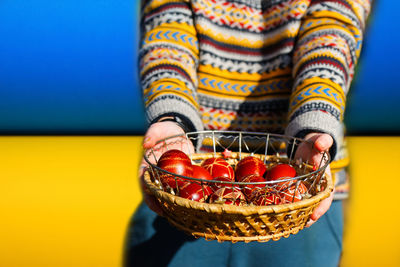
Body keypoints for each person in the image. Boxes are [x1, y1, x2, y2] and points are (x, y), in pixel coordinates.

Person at [125, 0, 371, 266]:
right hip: (181, 194)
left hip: (299, 189)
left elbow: (330, 33)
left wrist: (315, 125)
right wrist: (172, 118)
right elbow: (168, 30)